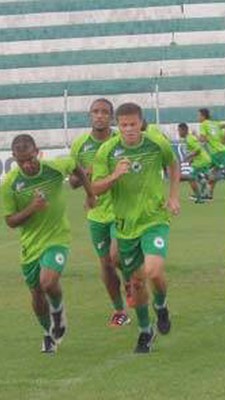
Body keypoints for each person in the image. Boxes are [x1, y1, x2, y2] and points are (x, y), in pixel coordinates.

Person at [92, 102, 180, 353]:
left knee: (152, 272)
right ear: (117, 126)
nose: (129, 129)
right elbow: (95, 188)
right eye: (123, 125)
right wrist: (114, 176)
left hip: (154, 220)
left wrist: (173, 196)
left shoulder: (156, 143)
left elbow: (173, 165)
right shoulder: (107, 152)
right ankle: (145, 331)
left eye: (133, 124)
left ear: (141, 123)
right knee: (138, 284)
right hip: (125, 228)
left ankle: (161, 306)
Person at [1, 134, 96, 353]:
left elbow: (77, 168)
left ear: (38, 152)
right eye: (21, 160)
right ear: (14, 158)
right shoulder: (9, 185)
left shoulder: (54, 167)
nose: (27, 164)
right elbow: (10, 222)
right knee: (36, 294)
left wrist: (90, 195)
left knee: (48, 281)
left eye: (30, 158)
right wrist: (32, 208)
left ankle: (58, 312)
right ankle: (48, 333)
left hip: (57, 238)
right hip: (30, 246)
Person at [69, 98, 130, 326]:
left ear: (112, 117)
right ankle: (119, 310)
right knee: (105, 264)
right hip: (96, 213)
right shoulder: (80, 145)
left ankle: (131, 280)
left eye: (105, 112)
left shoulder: (120, 140)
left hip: (120, 209)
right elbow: (73, 182)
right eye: (96, 111)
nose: (100, 115)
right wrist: (87, 173)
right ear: (90, 116)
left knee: (116, 257)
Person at [198, 108, 225, 199]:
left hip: (218, 153)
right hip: (221, 152)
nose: (198, 117)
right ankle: (208, 194)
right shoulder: (215, 123)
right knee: (212, 174)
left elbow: (202, 139)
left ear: (203, 116)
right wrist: (224, 138)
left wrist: (196, 137)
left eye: (199, 115)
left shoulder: (203, 124)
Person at [177, 122, 213, 203]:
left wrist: (188, 157)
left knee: (191, 178)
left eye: (179, 131)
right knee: (198, 178)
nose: (178, 133)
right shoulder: (190, 138)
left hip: (201, 162)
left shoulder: (189, 139)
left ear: (184, 130)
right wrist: (191, 159)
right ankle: (203, 189)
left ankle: (199, 197)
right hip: (203, 160)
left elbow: (198, 150)